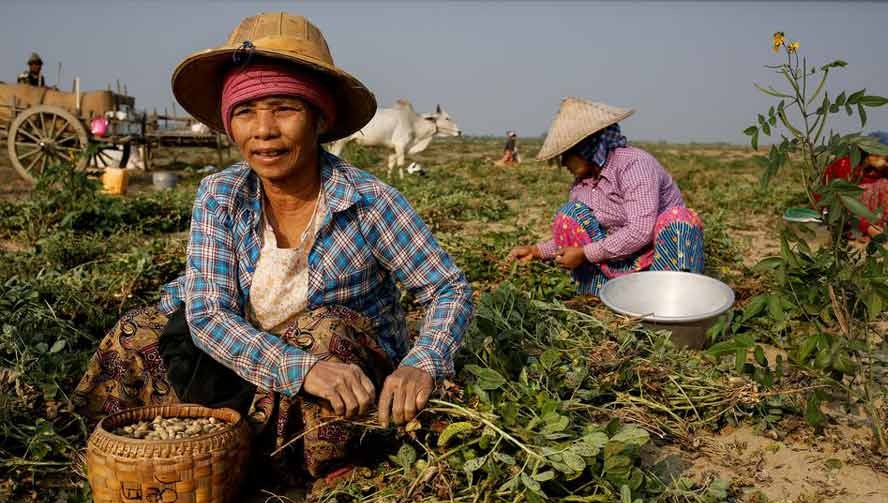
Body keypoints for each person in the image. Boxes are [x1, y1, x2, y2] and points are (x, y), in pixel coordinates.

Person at [73, 12, 473, 478]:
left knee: (325, 334)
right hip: (256, 358)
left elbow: (447, 288)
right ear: (230, 124)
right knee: (137, 333)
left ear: (319, 119)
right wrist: (296, 368)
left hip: (343, 377)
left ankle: (312, 462)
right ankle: (154, 458)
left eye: (284, 108)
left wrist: (422, 363)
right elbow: (209, 315)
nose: (263, 130)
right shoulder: (221, 195)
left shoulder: (367, 201)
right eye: (245, 112)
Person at [507, 97, 704, 296]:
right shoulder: (582, 185)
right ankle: (601, 295)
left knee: (678, 219)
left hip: (659, 256)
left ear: (585, 147)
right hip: (617, 257)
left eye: (565, 155)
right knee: (570, 215)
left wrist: (585, 253)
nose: (564, 163)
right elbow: (580, 236)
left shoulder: (633, 165)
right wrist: (536, 251)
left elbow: (640, 231)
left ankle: (671, 298)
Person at [818, 131, 888, 238]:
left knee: (884, 184)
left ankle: (879, 230)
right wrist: (867, 227)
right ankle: (851, 234)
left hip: (867, 220)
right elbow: (842, 203)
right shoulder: (844, 166)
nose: (887, 161)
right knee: (871, 188)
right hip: (840, 215)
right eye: (886, 156)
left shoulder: (881, 172)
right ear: (871, 152)